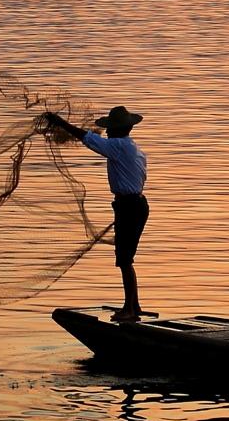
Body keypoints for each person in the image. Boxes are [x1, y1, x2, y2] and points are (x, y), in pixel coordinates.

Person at [43, 105, 149, 320]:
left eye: (111, 128)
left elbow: (89, 139)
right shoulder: (132, 148)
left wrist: (61, 123)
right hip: (134, 205)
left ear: (120, 130)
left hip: (130, 207)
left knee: (125, 259)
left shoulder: (119, 146)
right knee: (125, 258)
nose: (107, 131)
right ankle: (133, 306)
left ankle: (129, 310)